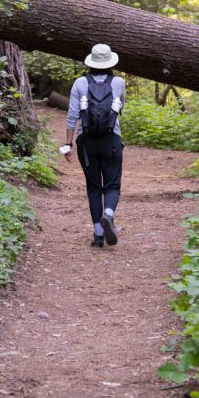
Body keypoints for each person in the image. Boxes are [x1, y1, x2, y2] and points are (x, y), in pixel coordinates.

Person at [61, 43, 126, 248]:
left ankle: (98, 233)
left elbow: (72, 115)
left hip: (87, 142)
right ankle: (109, 214)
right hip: (111, 140)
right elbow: (121, 106)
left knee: (94, 187)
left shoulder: (80, 83)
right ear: (109, 62)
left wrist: (68, 143)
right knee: (112, 184)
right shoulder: (118, 82)